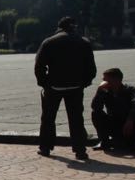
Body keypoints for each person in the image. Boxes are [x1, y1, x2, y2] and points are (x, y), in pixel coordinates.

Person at [35, 16, 97, 160]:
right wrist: (84, 83)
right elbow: (91, 68)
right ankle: (80, 150)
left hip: (54, 86)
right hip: (75, 86)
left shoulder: (49, 42)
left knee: (48, 118)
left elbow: (39, 66)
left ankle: (45, 147)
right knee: (76, 119)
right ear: (74, 27)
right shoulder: (83, 42)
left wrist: (45, 83)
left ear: (59, 27)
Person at [91, 67, 135, 151]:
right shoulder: (104, 91)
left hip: (132, 125)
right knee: (95, 113)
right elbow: (95, 107)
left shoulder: (132, 90)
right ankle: (104, 142)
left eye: (106, 80)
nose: (103, 82)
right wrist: (99, 92)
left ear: (116, 79)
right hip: (114, 126)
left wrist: (130, 120)